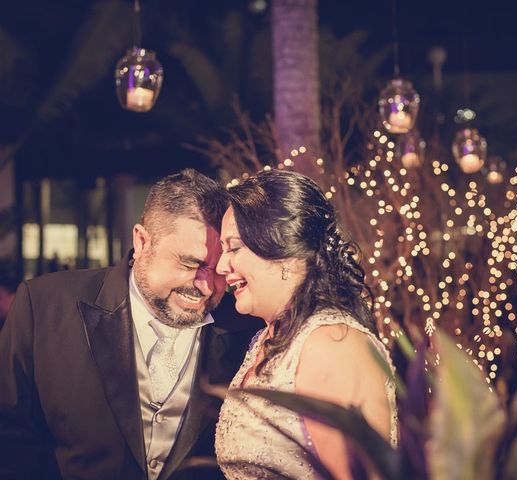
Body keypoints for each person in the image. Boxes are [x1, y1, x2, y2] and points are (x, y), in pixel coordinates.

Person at [0, 169, 261, 480]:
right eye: (190, 263)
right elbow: (10, 441)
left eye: (218, 269)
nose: (205, 285)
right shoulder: (44, 306)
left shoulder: (248, 329)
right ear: (141, 241)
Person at [214, 169, 398, 479]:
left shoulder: (332, 346)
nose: (221, 266)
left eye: (233, 248)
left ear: (285, 254)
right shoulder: (266, 339)